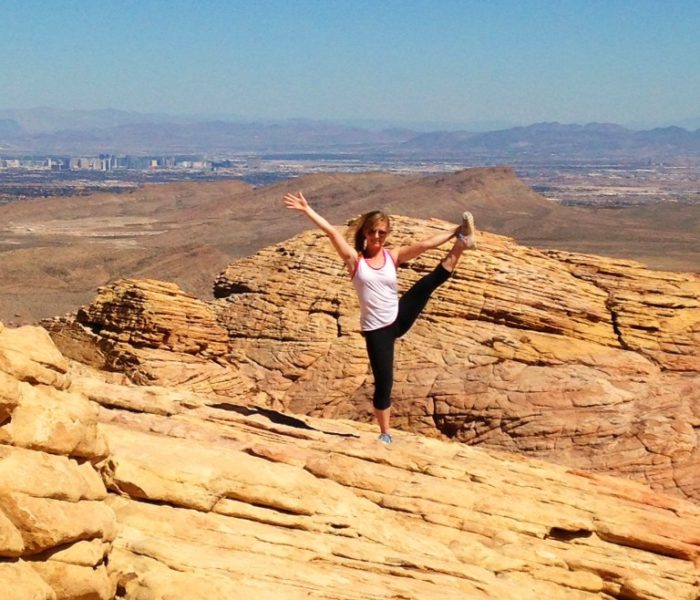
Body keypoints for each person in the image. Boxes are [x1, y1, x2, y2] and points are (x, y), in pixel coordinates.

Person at [282, 191, 477, 443]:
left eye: (382, 232)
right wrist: (307, 210)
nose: (377, 236)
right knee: (384, 382)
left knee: (429, 282)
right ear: (365, 232)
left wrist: (455, 230)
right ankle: (385, 434)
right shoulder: (355, 261)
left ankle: (462, 242)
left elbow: (425, 245)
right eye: (373, 231)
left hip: (398, 315)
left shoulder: (391, 256)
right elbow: (332, 232)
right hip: (378, 331)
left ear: (387, 234)